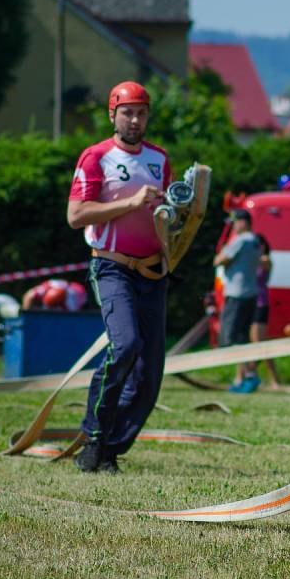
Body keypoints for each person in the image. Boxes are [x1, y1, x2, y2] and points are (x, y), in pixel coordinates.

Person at [66, 81, 172, 474]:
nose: (134, 119)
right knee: (125, 346)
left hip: (152, 272)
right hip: (112, 267)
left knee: (150, 374)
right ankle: (94, 436)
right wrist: (130, 202)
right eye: (127, 112)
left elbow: (166, 217)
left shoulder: (160, 159)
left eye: (141, 112)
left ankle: (109, 449)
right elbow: (75, 216)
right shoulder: (96, 158)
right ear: (113, 115)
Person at [213, 209, 262, 393]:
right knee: (243, 338)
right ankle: (241, 378)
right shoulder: (256, 241)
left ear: (243, 222)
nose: (233, 226)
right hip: (251, 293)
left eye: (235, 222)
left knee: (233, 339)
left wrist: (220, 258)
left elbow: (219, 260)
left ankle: (249, 376)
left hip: (236, 293)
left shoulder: (240, 241)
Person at [250, 234, 280, 388]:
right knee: (251, 343)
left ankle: (272, 379)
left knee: (259, 344)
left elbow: (257, 263)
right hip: (250, 303)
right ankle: (248, 376)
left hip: (260, 304)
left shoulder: (265, 260)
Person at [22, 279, 87, 312]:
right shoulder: (46, 287)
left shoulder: (72, 305)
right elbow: (28, 296)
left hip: (79, 294)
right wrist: (26, 316)